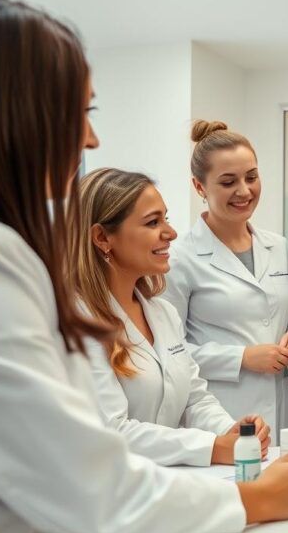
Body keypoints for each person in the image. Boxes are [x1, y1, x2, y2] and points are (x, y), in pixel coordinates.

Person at [0, 0, 288, 533]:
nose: (89, 140)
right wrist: (256, 499)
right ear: (9, 110)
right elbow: (86, 477)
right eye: (81, 114)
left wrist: (226, 441)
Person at [70, 168, 270, 466]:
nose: (171, 233)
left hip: (164, 483)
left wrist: (230, 432)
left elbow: (194, 399)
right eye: (153, 222)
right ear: (102, 238)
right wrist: (212, 447)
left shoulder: (162, 313)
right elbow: (112, 429)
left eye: (166, 217)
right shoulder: (76, 322)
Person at [163, 121, 288, 432]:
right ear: (199, 187)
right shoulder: (180, 257)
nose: (244, 191)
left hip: (281, 410)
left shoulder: (279, 247)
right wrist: (242, 358)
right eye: (228, 182)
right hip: (220, 413)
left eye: (252, 177)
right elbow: (168, 351)